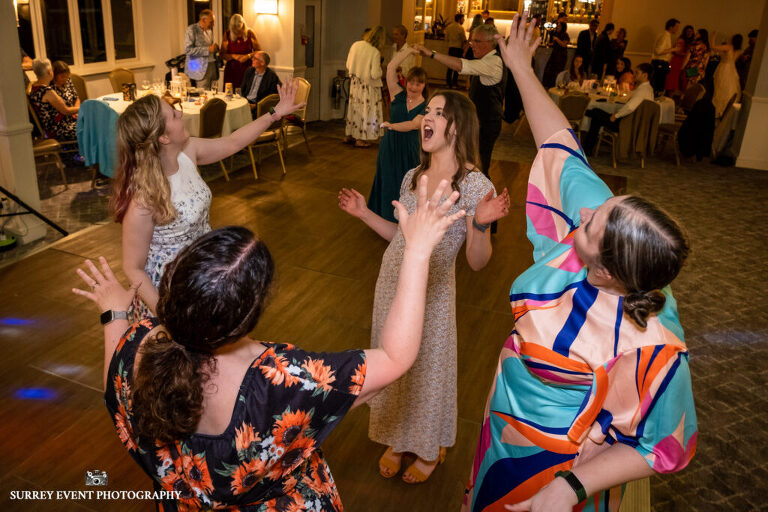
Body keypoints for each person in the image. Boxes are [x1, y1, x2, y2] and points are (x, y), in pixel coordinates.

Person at [73, 173, 467, 509]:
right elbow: (396, 358)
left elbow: (113, 375)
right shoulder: (282, 384)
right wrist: (416, 252)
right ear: (248, 316)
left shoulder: (137, 349)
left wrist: (113, 312)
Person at [463, 15, 697, 511]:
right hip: (502, 420)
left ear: (610, 271)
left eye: (590, 225)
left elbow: (664, 448)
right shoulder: (612, 231)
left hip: (559, 465)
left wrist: (568, 487)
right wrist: (521, 69)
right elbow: (563, 149)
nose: (585, 212)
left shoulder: (655, 345)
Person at [339, 90, 510, 484]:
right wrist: (364, 213)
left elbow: (477, 262)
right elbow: (399, 238)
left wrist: (481, 225)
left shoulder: (473, 184)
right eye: (426, 111)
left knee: (427, 370)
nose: (425, 117)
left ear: (458, 125)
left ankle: (430, 448)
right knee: (394, 366)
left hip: (432, 292)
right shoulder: (412, 177)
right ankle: (399, 439)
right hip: (392, 286)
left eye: (437, 112)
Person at [111, 80, 305, 320]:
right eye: (173, 114)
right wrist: (166, 315)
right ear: (163, 137)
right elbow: (132, 267)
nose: (180, 112)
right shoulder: (144, 199)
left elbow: (233, 142)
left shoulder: (187, 153)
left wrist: (275, 114)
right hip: (170, 291)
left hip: (202, 273)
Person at [414, 24, 504, 185]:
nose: (471, 45)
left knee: (479, 165)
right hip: (480, 121)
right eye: (471, 41)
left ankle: (481, 199)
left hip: (487, 122)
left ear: (490, 43)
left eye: (476, 41)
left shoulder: (494, 62)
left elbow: (462, 66)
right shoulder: (487, 60)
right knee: (470, 161)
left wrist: (431, 54)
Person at [367, 49, 427, 222]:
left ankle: (405, 219)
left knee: (406, 183)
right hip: (390, 145)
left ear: (424, 85)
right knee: (387, 178)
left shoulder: (426, 106)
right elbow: (391, 67)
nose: (413, 87)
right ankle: (383, 217)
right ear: (406, 82)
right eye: (411, 82)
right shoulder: (397, 94)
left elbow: (413, 125)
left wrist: (391, 125)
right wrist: (409, 51)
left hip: (410, 148)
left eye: (418, 84)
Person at [582, 62, 654, 155]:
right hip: (636, 124)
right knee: (596, 114)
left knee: (596, 114)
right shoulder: (648, 89)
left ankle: (587, 147)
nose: (634, 75)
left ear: (645, 75)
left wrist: (616, 115)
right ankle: (588, 148)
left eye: (637, 73)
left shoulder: (642, 90)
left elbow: (630, 107)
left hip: (627, 124)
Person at [345, 26, 386, 148]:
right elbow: (375, 74)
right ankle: (361, 139)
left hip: (355, 84)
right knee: (366, 113)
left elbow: (348, 65)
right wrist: (381, 70)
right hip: (368, 88)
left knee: (354, 110)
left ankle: (350, 135)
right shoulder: (375, 52)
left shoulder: (356, 45)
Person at [28, 58, 79, 142]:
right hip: (58, 129)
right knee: (91, 128)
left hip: (52, 127)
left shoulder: (34, 87)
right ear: (49, 72)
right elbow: (66, 110)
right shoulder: (47, 91)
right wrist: (85, 107)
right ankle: (88, 153)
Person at [221, 14, 261, 91]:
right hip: (232, 70)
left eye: (239, 29)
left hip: (247, 68)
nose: (237, 31)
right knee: (230, 94)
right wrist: (234, 56)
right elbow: (222, 54)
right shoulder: (227, 34)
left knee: (247, 92)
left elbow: (259, 52)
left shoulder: (250, 33)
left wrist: (248, 56)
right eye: (235, 29)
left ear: (243, 25)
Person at [185, 9, 219, 90]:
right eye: (211, 22)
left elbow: (210, 49)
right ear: (204, 20)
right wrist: (208, 49)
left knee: (213, 94)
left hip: (212, 66)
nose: (213, 24)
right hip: (200, 69)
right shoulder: (191, 29)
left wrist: (215, 48)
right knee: (203, 95)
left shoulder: (209, 31)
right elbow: (188, 50)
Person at [241, 51, 281, 119]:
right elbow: (243, 88)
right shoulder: (249, 71)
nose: (252, 59)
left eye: (255, 58)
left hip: (260, 106)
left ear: (262, 63)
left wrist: (255, 106)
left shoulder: (271, 77)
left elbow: (271, 99)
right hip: (246, 102)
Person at [711, 33, 743, 117]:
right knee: (730, 88)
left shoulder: (729, 47)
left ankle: (718, 110)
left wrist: (713, 36)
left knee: (720, 88)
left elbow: (713, 47)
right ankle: (726, 110)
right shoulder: (738, 50)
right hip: (732, 69)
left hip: (724, 68)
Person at [651, 18, 680, 94]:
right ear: (671, 27)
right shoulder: (665, 36)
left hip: (660, 63)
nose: (677, 29)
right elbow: (658, 51)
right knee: (658, 85)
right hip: (660, 63)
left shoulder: (665, 35)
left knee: (658, 84)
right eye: (676, 27)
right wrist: (673, 49)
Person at [542, 13, 570, 88]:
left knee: (557, 72)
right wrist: (549, 43)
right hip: (555, 55)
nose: (557, 27)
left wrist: (557, 39)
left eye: (559, 26)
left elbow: (564, 44)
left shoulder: (565, 35)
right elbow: (554, 44)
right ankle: (549, 86)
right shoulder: (555, 34)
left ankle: (556, 86)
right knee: (549, 71)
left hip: (561, 56)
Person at [666, 25, 694, 94]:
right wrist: (686, 54)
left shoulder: (693, 42)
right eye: (687, 31)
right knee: (673, 81)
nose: (689, 33)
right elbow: (676, 51)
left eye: (690, 31)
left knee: (686, 81)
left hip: (689, 63)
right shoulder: (681, 40)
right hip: (677, 62)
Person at [445, 14, 467, 88]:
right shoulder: (460, 28)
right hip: (458, 48)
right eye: (463, 19)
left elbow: (446, 38)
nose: (463, 20)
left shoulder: (449, 27)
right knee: (457, 67)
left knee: (450, 66)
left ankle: (448, 83)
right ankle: (454, 83)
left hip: (451, 48)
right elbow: (463, 39)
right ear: (459, 19)